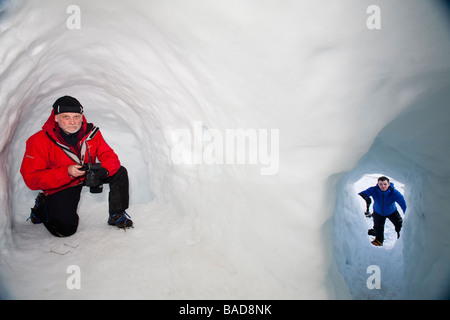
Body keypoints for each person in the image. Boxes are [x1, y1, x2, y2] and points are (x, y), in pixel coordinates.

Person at [20, 96, 133, 237]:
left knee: (118, 172)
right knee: (64, 230)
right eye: (66, 117)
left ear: (81, 116)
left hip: (85, 173)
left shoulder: (91, 133)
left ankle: (117, 214)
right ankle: (42, 207)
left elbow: (109, 156)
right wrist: (67, 173)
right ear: (55, 118)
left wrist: (104, 171)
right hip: (62, 182)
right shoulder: (38, 141)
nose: (72, 122)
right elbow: (32, 178)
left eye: (76, 116)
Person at [359, 176, 406, 246]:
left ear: (389, 184)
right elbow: (362, 194)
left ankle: (402, 240)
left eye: (385, 184)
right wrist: (365, 197)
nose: (383, 186)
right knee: (378, 227)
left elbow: (403, 203)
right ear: (378, 184)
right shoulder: (374, 190)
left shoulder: (394, 192)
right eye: (380, 184)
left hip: (392, 212)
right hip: (378, 212)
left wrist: (408, 214)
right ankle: (378, 240)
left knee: (399, 225)